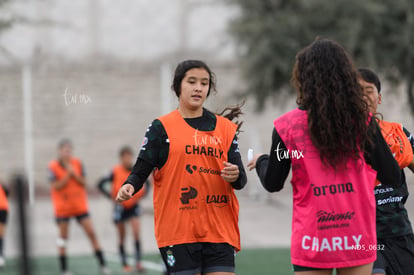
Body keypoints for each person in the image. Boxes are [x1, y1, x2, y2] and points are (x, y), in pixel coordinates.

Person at [248, 39, 401, 275]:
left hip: (312, 239)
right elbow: (391, 175)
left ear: (303, 79)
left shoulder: (286, 127)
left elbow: (272, 182)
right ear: (345, 77)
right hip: (357, 235)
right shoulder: (364, 123)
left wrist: (260, 160)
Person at [116, 59, 247, 275]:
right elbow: (142, 167)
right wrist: (130, 184)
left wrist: (235, 174)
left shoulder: (226, 129)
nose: (198, 88)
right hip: (178, 232)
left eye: (204, 83)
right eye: (192, 82)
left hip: (220, 230)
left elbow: (240, 180)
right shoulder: (161, 128)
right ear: (178, 86)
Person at [358, 68, 414, 275]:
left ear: (379, 98)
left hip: (399, 231)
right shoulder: (340, 138)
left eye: (368, 90)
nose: (362, 95)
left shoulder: (397, 133)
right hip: (362, 235)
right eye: (357, 90)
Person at [48, 139, 110, 275]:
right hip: (63, 208)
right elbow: (55, 186)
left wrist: (74, 174)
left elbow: (84, 182)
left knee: (92, 234)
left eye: (69, 150)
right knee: (63, 238)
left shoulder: (77, 163)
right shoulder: (53, 166)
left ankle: (103, 265)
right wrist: (67, 174)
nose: (67, 153)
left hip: (79, 206)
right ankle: (64, 269)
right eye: (65, 150)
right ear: (59, 151)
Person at [97, 146, 149, 273]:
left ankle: (138, 262)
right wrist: (111, 196)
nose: (128, 159)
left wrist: (141, 196)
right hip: (120, 206)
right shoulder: (115, 171)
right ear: (121, 158)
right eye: (125, 157)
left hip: (133, 205)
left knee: (136, 232)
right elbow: (100, 183)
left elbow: (147, 184)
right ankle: (124, 263)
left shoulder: (135, 171)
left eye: (130, 157)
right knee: (122, 236)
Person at [0, 181, 9, 268]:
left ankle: (1, 256)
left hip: (2, 208)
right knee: (1, 234)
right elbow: (7, 192)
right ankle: (1, 256)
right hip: (4, 208)